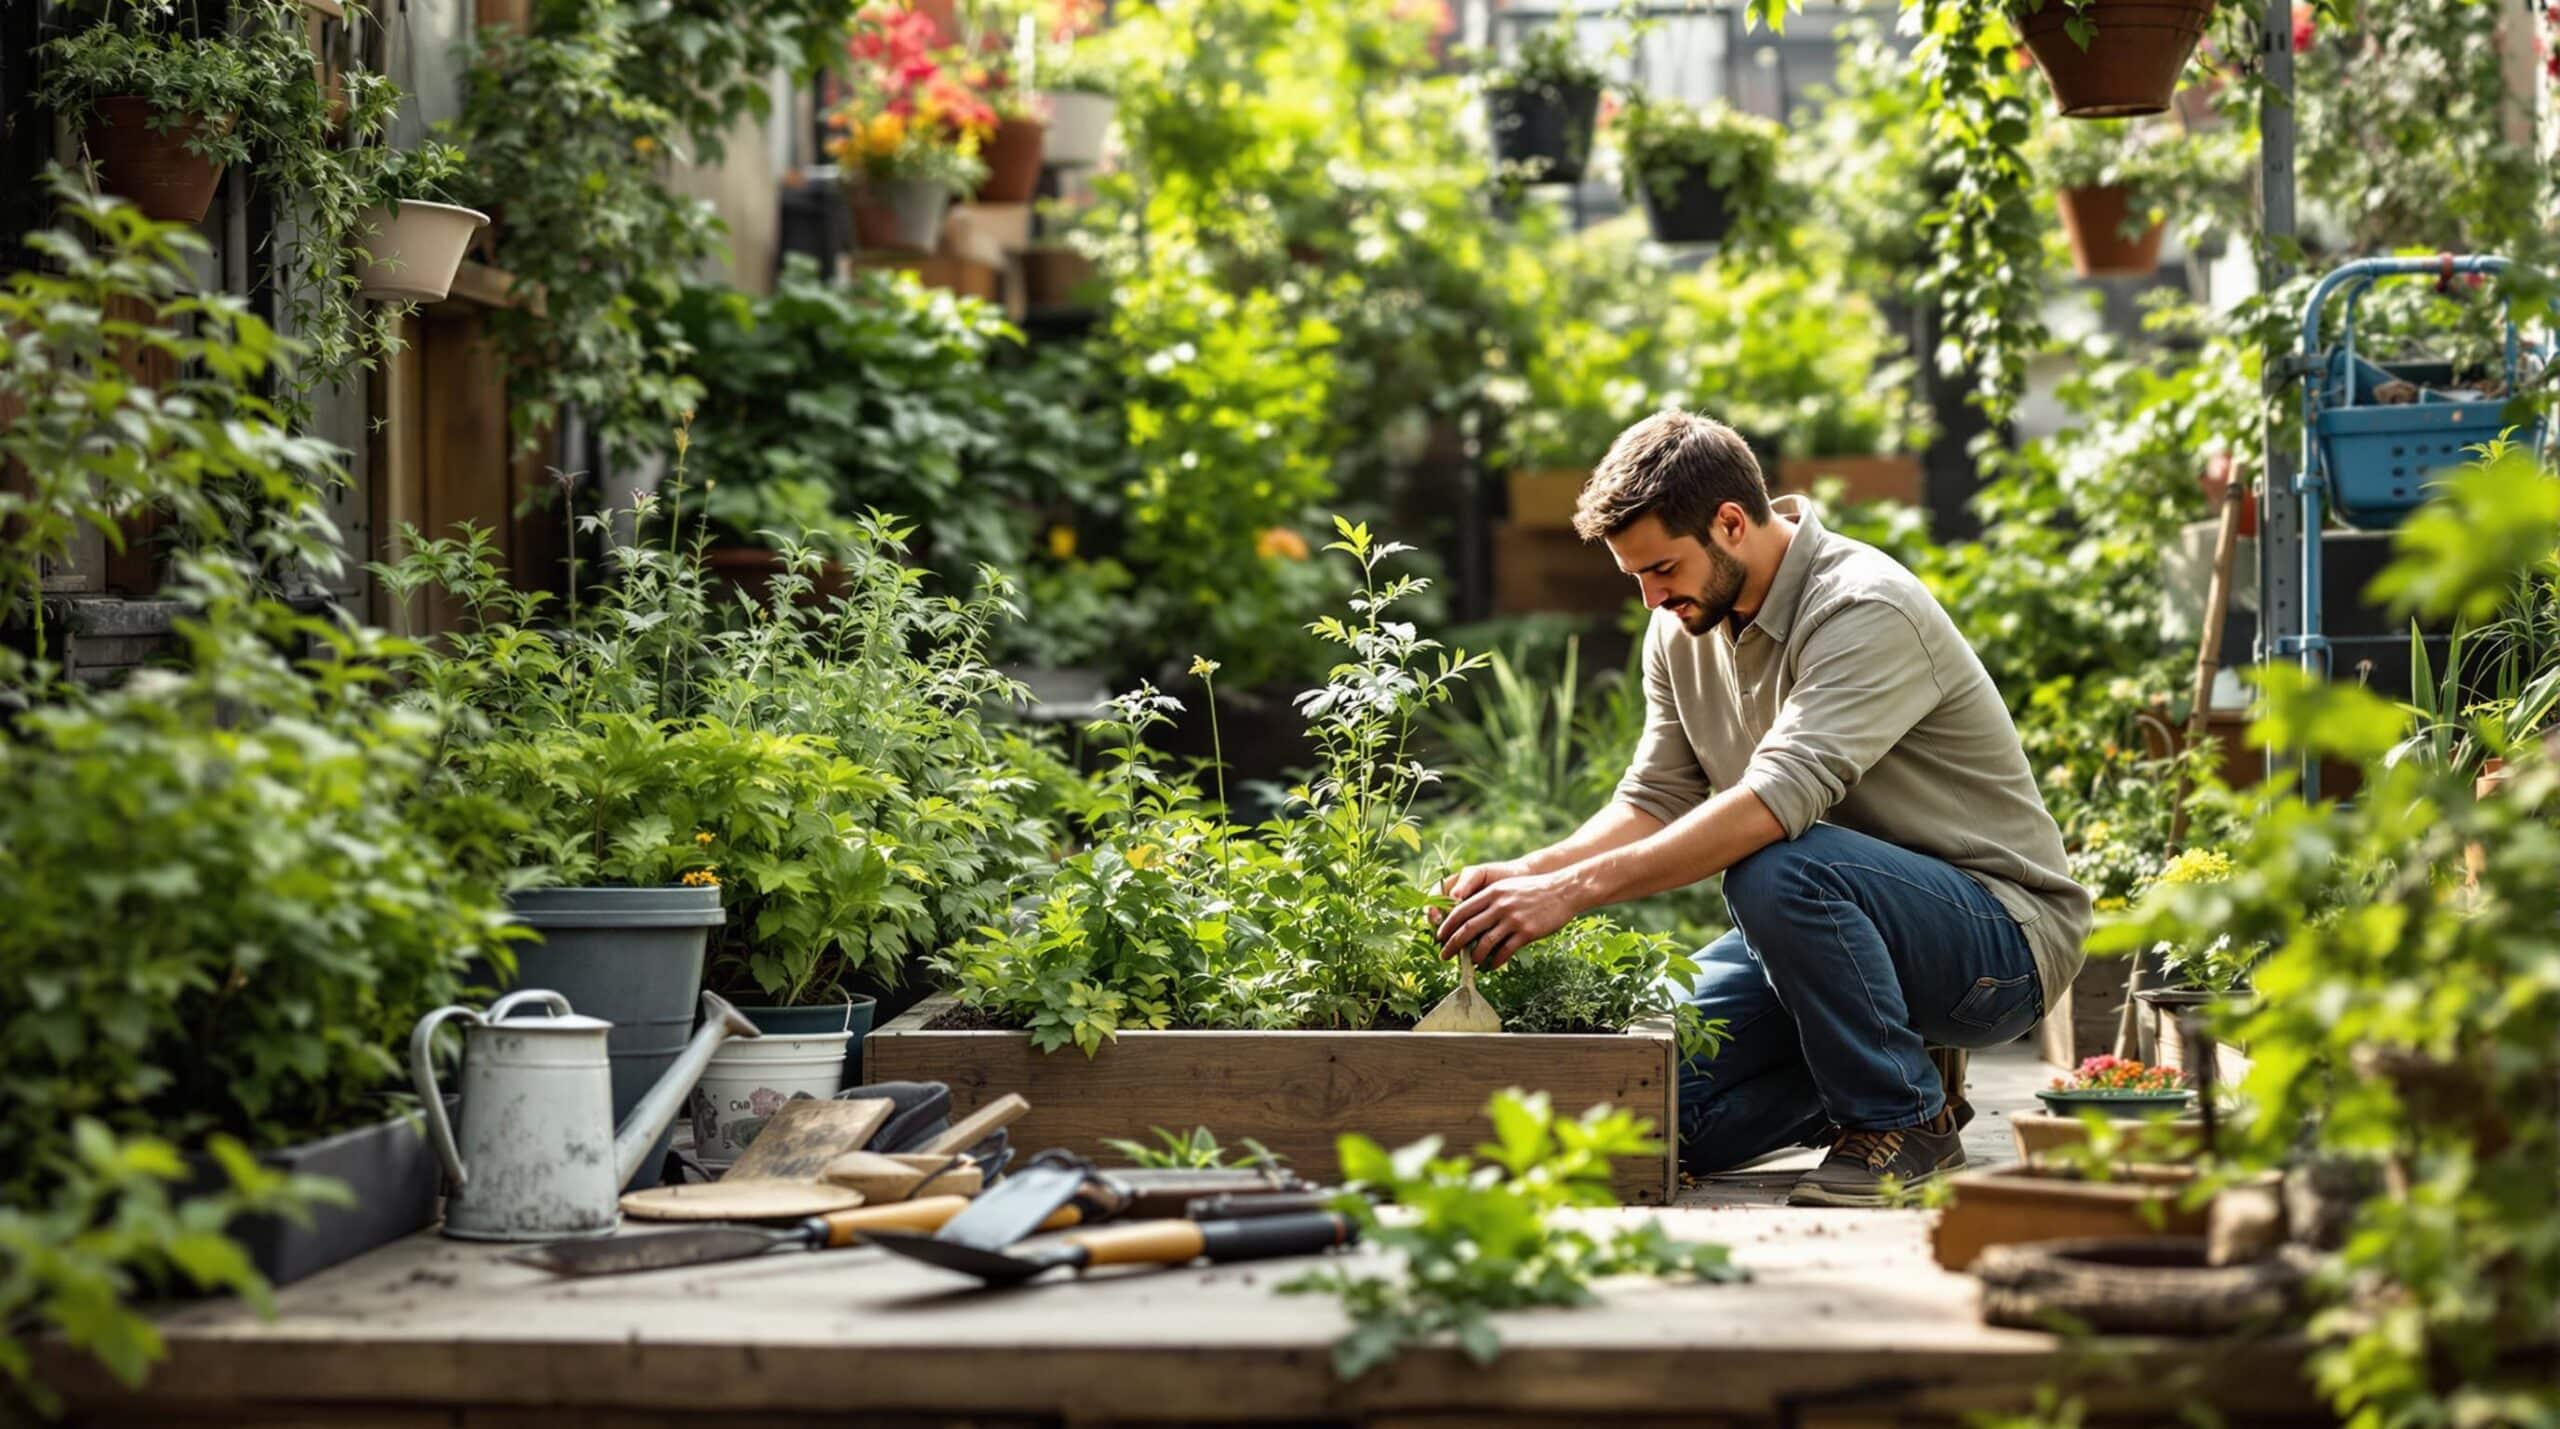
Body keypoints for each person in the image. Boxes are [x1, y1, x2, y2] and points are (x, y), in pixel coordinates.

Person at [1432, 410, 2089, 1206]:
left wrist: (1569, 895)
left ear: (1731, 523)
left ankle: (1904, 1121)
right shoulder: (1683, 622)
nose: (1648, 597)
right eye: (1634, 576)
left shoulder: (1863, 606)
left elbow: (1774, 804)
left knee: (1775, 868)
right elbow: (1654, 797)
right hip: (1834, 938)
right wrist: (1526, 874)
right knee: (1644, 1098)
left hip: (1996, 941)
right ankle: (1894, 1065)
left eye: (1661, 568)